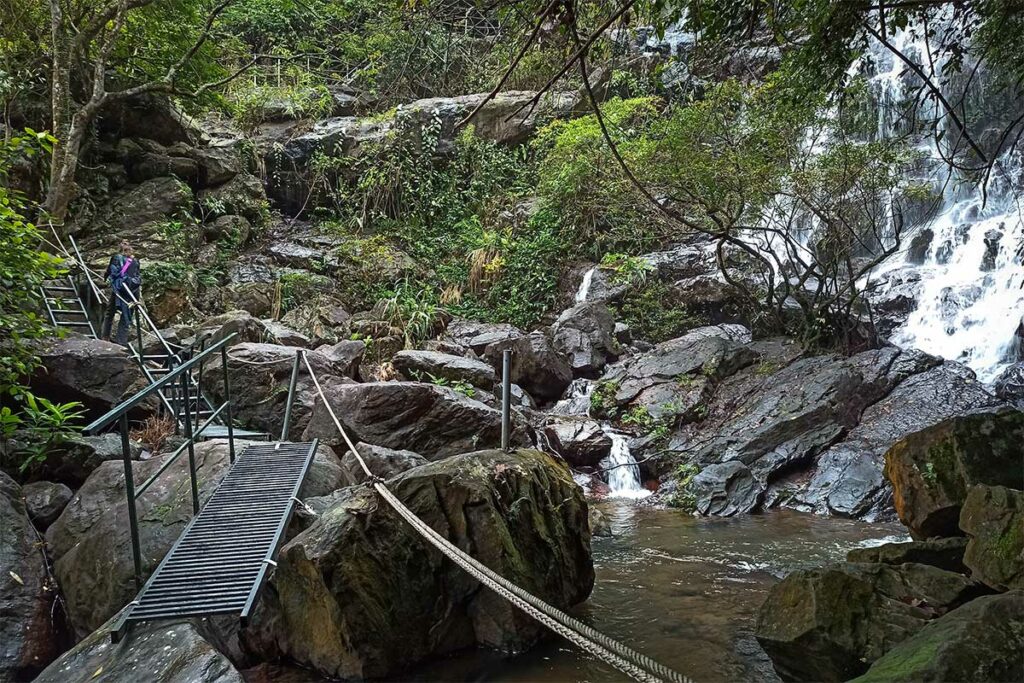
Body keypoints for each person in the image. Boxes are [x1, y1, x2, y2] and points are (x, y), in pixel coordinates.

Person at [101, 241, 142, 345]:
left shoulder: (117, 258)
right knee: (126, 316)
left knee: (110, 313)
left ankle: (105, 337)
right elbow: (137, 275)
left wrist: (105, 278)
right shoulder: (135, 261)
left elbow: (111, 271)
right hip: (133, 291)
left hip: (120, 289)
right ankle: (121, 342)